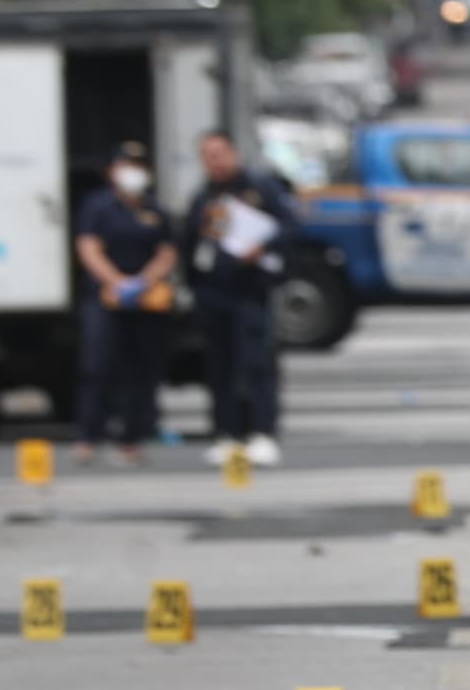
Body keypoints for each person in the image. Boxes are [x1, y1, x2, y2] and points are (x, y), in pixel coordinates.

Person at [189, 127, 301, 468]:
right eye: (208, 157)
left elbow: (291, 224)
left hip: (252, 289)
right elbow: (191, 244)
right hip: (216, 292)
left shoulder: (259, 187)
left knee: (257, 363)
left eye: (220, 155)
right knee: (220, 366)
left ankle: (263, 432)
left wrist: (262, 248)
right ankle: (226, 433)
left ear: (234, 154)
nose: (216, 163)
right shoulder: (204, 196)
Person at [72, 143, 178, 464]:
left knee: (140, 370)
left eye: (139, 165)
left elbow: (167, 250)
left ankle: (131, 438)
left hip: (144, 299)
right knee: (98, 367)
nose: (133, 171)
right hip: (106, 297)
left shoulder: (155, 209)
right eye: (126, 164)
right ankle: (89, 436)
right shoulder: (99, 206)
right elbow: (88, 246)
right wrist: (116, 282)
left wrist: (143, 282)